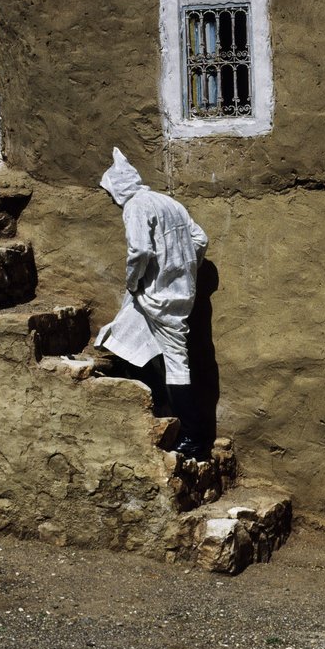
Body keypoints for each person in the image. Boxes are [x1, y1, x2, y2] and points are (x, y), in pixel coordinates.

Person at [95, 148, 211, 460]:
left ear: (118, 187)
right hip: (176, 292)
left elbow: (140, 252)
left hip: (159, 296)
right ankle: (150, 398)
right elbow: (200, 239)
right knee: (125, 327)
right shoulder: (168, 202)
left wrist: (136, 282)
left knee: (176, 361)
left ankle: (194, 437)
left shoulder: (135, 206)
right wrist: (184, 267)